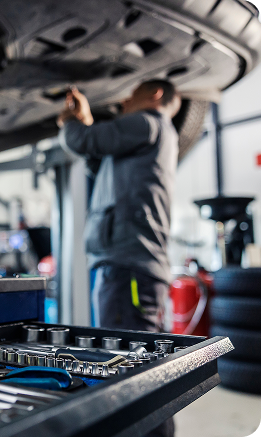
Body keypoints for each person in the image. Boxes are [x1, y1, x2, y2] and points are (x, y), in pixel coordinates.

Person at [57, 80, 181, 437]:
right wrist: (85, 125)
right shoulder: (153, 134)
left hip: (129, 266)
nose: (125, 99)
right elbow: (98, 155)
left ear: (156, 95)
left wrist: (72, 122)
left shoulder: (147, 122)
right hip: (133, 265)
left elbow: (85, 141)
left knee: (128, 365)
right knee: (141, 362)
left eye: (133, 92)